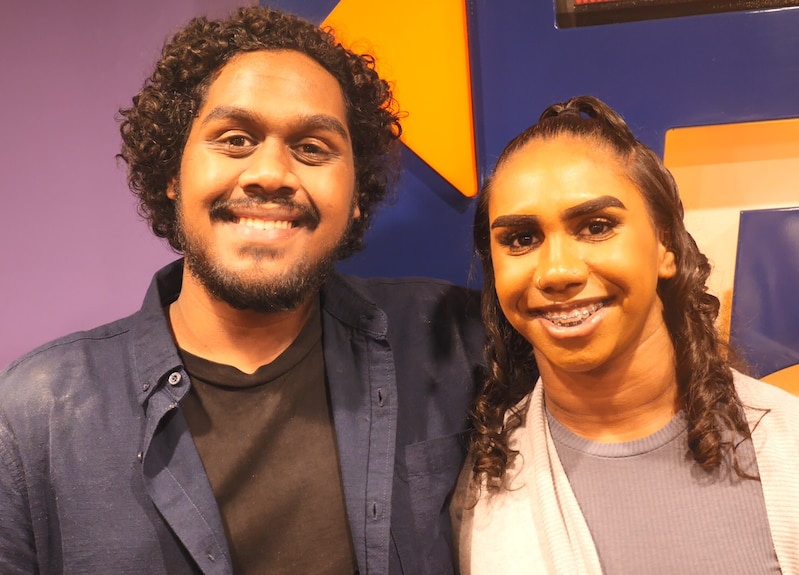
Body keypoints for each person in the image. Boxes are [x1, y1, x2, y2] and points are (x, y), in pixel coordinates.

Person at [0, 7, 485, 575]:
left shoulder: (452, 342)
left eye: (312, 147)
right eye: (234, 139)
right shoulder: (38, 413)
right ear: (172, 176)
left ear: (356, 194)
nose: (271, 172)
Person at [452, 95, 799, 574]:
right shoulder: (478, 488)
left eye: (597, 226)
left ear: (666, 244)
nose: (556, 271)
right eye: (521, 239)